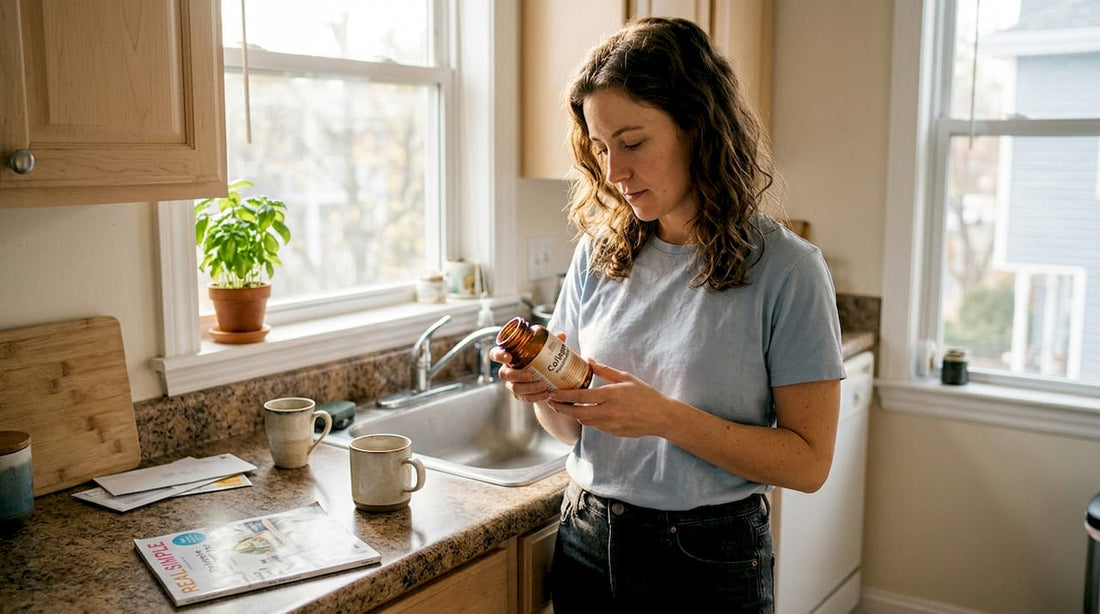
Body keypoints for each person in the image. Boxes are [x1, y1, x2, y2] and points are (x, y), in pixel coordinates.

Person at [490, 17, 845, 613]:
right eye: (600, 148)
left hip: (706, 560)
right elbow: (573, 432)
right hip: (586, 538)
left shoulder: (788, 270)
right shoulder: (598, 254)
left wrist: (664, 418)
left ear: (698, 128)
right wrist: (543, 393)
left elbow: (809, 463)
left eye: (632, 142)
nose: (613, 172)